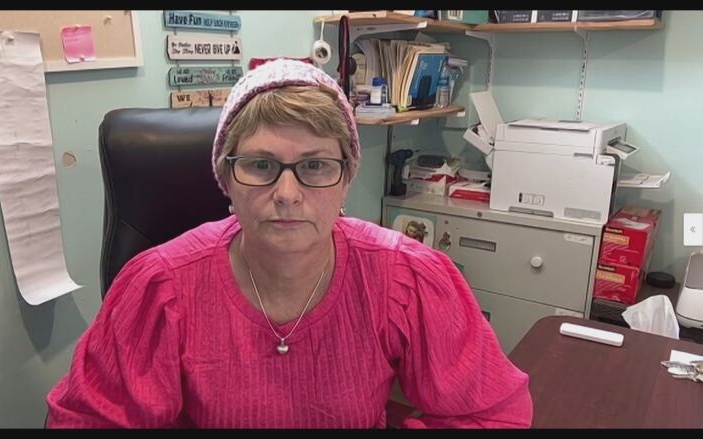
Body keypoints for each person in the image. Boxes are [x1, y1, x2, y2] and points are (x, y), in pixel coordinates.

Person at [45, 59, 532, 428]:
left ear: (346, 181)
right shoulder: (159, 285)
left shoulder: (408, 277)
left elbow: (492, 413)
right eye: (260, 165)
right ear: (225, 179)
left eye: (316, 166)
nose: (287, 194)